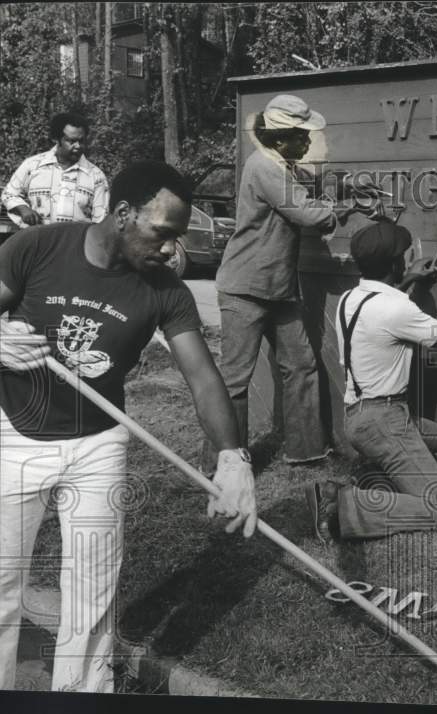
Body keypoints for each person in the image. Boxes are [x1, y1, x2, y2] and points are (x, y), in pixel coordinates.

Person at [0, 161, 257, 693]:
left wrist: (233, 457)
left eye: (178, 238)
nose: (170, 250)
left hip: (98, 441)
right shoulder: (37, 247)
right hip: (14, 432)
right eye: (163, 233)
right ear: (123, 213)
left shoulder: (164, 290)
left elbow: (202, 376)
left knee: (93, 587)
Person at [204, 94, 372, 471]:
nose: (308, 143)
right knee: (234, 381)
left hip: (279, 289)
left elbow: (309, 185)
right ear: (281, 139)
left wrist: (343, 185)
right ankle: (220, 463)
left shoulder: (282, 165)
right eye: (301, 136)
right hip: (245, 288)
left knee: (301, 366)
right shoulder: (264, 166)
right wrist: (350, 206)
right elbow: (308, 213)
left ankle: (307, 451)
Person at [304, 220, 437, 541]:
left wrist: (411, 278)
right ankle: (342, 505)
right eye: (403, 257)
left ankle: (386, 484)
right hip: (384, 422)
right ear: (394, 263)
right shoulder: (396, 307)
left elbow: (381, 310)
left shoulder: (350, 299)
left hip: (360, 416)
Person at [2, 112, 109, 228]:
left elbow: (101, 220)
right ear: (57, 140)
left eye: (81, 141)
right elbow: (9, 194)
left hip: (75, 244)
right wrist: (23, 209)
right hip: (38, 241)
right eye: (71, 141)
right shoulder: (32, 165)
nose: (78, 146)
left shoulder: (96, 176)